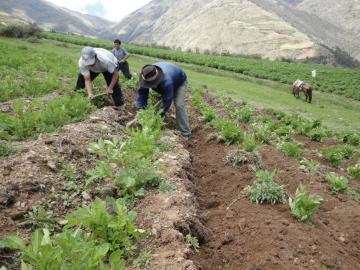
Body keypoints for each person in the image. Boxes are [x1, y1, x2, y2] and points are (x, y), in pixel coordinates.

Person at [134, 62, 191, 140]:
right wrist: (140, 112)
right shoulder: (146, 76)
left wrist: (156, 117)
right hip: (167, 79)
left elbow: (166, 103)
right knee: (162, 96)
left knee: (179, 105)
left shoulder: (167, 82)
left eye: (152, 84)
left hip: (179, 81)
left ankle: (185, 133)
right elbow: (142, 96)